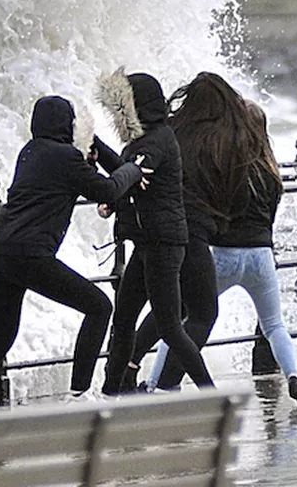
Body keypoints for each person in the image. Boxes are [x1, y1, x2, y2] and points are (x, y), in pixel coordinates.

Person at [0, 94, 147, 413]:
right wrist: (133, 170)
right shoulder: (64, 157)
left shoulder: (31, 151)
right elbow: (105, 190)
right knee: (99, 306)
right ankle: (79, 395)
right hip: (30, 254)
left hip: (0, 251)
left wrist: (87, 165)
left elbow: (67, 184)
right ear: (66, 124)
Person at [144, 100, 297, 406]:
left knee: (181, 318)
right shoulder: (271, 172)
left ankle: (155, 383)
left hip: (223, 255)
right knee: (274, 325)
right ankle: (294, 377)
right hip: (262, 256)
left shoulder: (227, 166)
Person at [122, 72, 249, 391]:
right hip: (188, 234)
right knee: (203, 313)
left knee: (168, 310)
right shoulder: (224, 140)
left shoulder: (171, 131)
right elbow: (240, 197)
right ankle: (168, 385)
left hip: (153, 230)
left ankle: (126, 368)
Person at [93, 67, 214, 395]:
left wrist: (111, 192)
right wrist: (97, 151)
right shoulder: (141, 142)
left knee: (171, 327)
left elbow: (131, 174)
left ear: (138, 106)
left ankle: (210, 393)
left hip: (165, 244)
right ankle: (112, 392)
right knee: (123, 320)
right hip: (147, 243)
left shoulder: (158, 140)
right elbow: (128, 173)